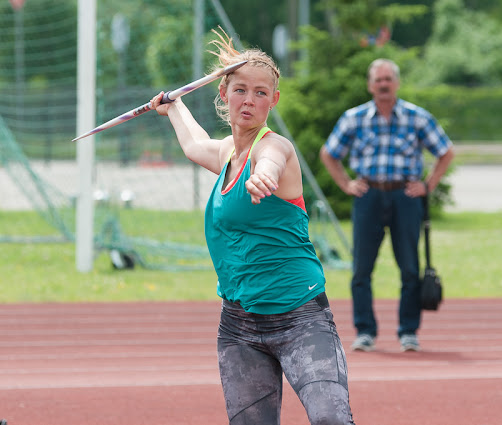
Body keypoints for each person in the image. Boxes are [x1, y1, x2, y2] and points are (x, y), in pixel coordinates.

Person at [150, 29, 355, 425]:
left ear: (273, 101)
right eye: (241, 90)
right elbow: (195, 145)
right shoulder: (227, 153)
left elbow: (273, 159)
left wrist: (265, 175)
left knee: (332, 420)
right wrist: (172, 106)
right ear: (224, 93)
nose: (250, 100)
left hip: (299, 316)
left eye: (261, 93)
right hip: (238, 324)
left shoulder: (273, 147)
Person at [320, 58, 454, 353]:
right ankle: (365, 331)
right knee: (361, 269)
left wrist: (428, 185)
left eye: (388, 79)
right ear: (370, 85)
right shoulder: (354, 118)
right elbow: (329, 153)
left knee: (409, 267)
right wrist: (346, 185)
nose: (383, 85)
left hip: (404, 197)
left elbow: (445, 151)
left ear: (397, 83)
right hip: (368, 196)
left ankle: (409, 331)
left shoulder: (416, 117)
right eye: (378, 80)